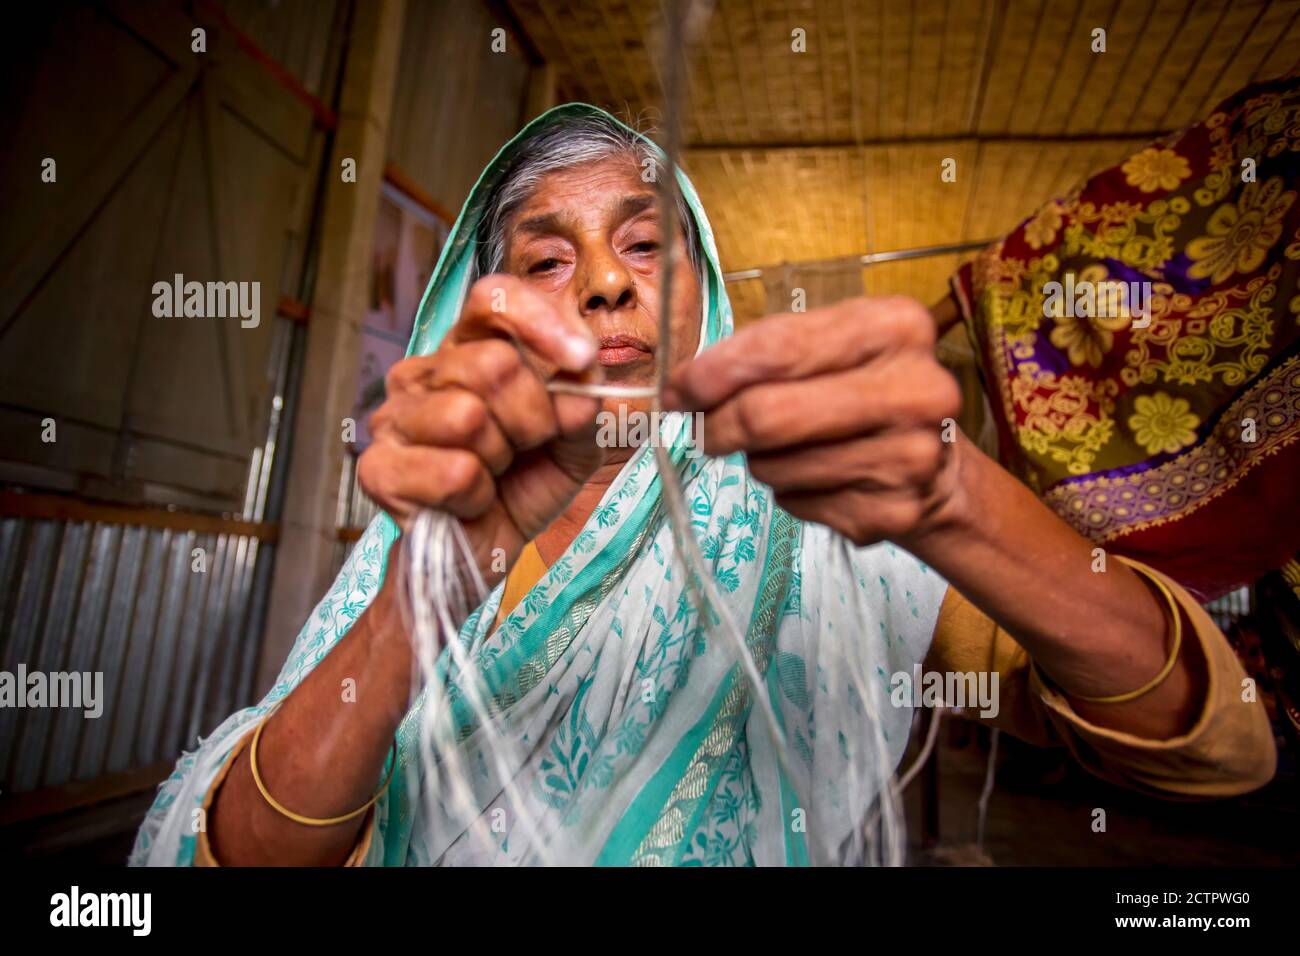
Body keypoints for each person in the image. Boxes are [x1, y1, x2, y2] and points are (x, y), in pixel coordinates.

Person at [131, 105, 1275, 868]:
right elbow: (238, 852)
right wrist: (420, 600)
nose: (601, 288)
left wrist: (953, 500)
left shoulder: (823, 514)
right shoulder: (413, 538)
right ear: (482, 314)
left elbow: (1218, 745)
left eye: (642, 248)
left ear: (703, 295)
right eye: (544, 258)